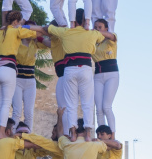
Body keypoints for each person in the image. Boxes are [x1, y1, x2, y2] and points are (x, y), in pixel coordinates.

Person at [46, 8, 112, 141]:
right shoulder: (92, 33)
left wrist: (24, 26)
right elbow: (104, 35)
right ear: (85, 20)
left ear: (73, 20)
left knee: (71, 104)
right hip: (85, 68)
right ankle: (88, 134)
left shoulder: (65, 32)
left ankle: (73, 133)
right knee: (87, 102)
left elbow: (48, 28)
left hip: (69, 69)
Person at [0, 11, 43, 139]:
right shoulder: (16, 31)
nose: (20, 25)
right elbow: (38, 33)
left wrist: (2, 28)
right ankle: (2, 133)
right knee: (6, 103)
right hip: (8, 68)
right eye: (19, 22)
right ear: (15, 22)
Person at [11, 29, 48, 132]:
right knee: (17, 111)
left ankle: (29, 136)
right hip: (18, 80)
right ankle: (13, 134)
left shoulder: (35, 43)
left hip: (30, 81)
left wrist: (40, 36)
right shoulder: (17, 42)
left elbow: (49, 44)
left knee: (29, 113)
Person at [93, 19, 119, 134]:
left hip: (111, 75)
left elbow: (111, 36)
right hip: (98, 75)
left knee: (106, 107)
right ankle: (101, 135)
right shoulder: (93, 43)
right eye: (96, 27)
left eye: (100, 27)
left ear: (106, 28)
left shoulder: (110, 39)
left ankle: (112, 134)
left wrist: (96, 32)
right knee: (98, 109)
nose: (97, 29)